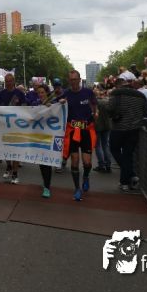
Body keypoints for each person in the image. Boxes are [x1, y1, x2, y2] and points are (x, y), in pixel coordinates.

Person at [107, 75, 147, 191]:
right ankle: (126, 181)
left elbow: (110, 109)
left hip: (119, 128)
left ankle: (130, 175)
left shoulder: (116, 93)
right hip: (134, 129)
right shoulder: (140, 95)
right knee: (128, 154)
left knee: (114, 149)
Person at [59, 70, 97, 201]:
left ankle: (86, 176)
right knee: (74, 161)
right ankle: (77, 188)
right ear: (68, 81)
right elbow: (53, 106)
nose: (73, 82)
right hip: (72, 131)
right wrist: (60, 103)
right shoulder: (66, 94)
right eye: (71, 80)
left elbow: (94, 105)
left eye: (75, 79)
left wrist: (95, 114)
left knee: (87, 163)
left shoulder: (88, 92)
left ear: (79, 80)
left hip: (86, 131)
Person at [0, 73, 26, 184]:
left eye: (10, 81)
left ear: (13, 81)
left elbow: (25, 107)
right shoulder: (1, 93)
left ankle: (15, 173)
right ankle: (8, 166)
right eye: (6, 81)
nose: (8, 83)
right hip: (4, 125)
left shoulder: (20, 93)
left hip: (17, 126)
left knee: (16, 149)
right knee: (6, 149)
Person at [29, 84, 54, 198]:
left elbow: (57, 115)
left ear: (47, 93)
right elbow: (31, 115)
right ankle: (45, 182)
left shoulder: (53, 104)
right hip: (38, 137)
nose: (40, 94)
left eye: (42, 92)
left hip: (49, 137)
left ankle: (47, 187)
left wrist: (51, 108)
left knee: (47, 163)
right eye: (38, 93)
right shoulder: (35, 103)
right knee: (41, 162)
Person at [94, 89, 115, 173]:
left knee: (98, 146)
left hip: (97, 126)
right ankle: (108, 165)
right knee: (105, 145)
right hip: (107, 126)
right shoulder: (107, 102)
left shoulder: (94, 103)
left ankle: (101, 165)